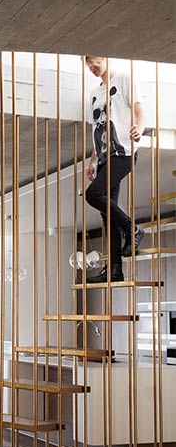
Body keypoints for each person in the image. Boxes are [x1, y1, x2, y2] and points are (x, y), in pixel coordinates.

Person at [85, 56, 145, 283]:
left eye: (96, 63)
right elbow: (97, 130)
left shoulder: (124, 78)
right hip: (103, 156)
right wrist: (92, 160)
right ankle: (115, 270)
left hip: (124, 152)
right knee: (106, 214)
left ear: (105, 59)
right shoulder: (94, 92)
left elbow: (139, 111)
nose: (92, 67)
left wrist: (139, 130)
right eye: (88, 64)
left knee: (93, 194)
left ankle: (133, 228)